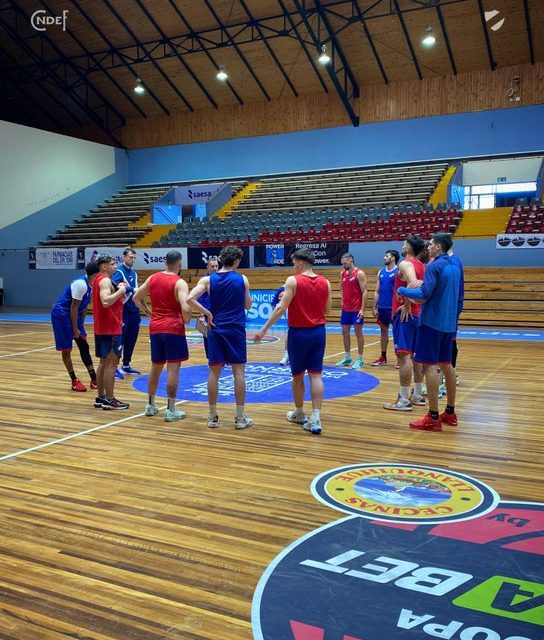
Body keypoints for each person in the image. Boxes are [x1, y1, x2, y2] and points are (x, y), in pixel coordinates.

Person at [254, 249, 331, 435]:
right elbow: (327, 311)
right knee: (315, 375)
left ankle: (299, 412)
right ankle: (316, 416)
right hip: (319, 332)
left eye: (294, 263)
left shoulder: (293, 281)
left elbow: (280, 308)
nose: (293, 266)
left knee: (297, 376)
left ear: (300, 263)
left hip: (299, 333)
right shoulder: (326, 282)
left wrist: (264, 329)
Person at [134, 251, 211, 422]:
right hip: (172, 328)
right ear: (179, 263)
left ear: (165, 262)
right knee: (173, 369)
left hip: (155, 328)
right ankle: (171, 409)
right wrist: (186, 319)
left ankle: (150, 405)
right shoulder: (179, 282)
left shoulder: (152, 278)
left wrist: (148, 312)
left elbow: (136, 297)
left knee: (155, 367)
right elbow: (185, 307)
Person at [398, 233, 462, 431]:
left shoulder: (435, 266)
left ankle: (433, 416)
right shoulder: (457, 263)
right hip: (449, 323)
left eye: (432, 245)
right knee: (447, 364)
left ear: (439, 248)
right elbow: (460, 297)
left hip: (432, 322)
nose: (429, 247)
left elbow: (424, 294)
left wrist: (404, 291)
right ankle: (450, 412)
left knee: (430, 367)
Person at [187, 246, 253, 430]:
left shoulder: (208, 280)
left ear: (222, 260)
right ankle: (240, 418)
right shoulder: (242, 279)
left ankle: (213, 416)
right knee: (239, 373)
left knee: (214, 373)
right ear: (237, 261)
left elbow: (189, 299)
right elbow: (248, 305)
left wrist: (207, 312)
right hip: (236, 330)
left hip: (215, 330)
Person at [383, 235, 426, 412]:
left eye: (404, 244)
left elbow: (414, 283)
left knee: (404, 356)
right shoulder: (422, 265)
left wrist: (407, 303)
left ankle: (403, 400)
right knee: (415, 356)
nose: (402, 246)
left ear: (408, 248)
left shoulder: (405, 264)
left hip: (405, 316)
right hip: (418, 316)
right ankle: (417, 394)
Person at [51, 261, 100, 392]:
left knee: (84, 345)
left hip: (74, 315)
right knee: (66, 349)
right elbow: (73, 308)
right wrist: (75, 329)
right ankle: (74, 380)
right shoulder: (81, 284)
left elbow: (82, 309)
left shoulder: (92, 285)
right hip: (61, 314)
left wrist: (80, 326)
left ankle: (94, 379)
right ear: (96, 274)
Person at [92, 254, 130, 410]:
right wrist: (121, 290)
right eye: (113, 264)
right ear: (104, 266)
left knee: (102, 363)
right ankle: (109, 399)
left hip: (101, 327)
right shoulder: (105, 280)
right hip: (111, 328)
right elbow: (106, 301)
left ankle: (101, 397)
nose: (115, 266)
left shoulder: (97, 280)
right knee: (112, 365)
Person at [111, 248, 141, 379]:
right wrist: (131, 288)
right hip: (123, 311)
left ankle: (126, 365)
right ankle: (114, 367)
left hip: (133, 310)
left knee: (131, 338)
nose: (132, 260)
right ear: (124, 257)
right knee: (120, 339)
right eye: (130, 257)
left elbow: (136, 292)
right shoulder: (118, 272)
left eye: (134, 258)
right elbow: (115, 286)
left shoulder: (134, 273)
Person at [335, 253, 367, 369]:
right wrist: (342, 299)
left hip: (357, 309)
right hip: (346, 309)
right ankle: (347, 357)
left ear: (351, 261)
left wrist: (362, 310)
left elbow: (365, 292)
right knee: (344, 332)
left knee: (358, 333)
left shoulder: (359, 273)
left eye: (345, 263)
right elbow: (341, 287)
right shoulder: (342, 274)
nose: (343, 265)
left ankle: (360, 358)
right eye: (342, 263)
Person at [371, 249, 400, 366]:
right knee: (383, 332)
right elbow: (377, 291)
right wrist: (374, 307)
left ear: (393, 258)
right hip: (382, 307)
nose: (384, 258)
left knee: (397, 332)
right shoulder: (381, 272)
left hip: (394, 307)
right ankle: (383, 357)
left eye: (387, 256)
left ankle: (400, 358)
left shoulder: (399, 271)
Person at [196, 257, 219, 359]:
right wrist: (201, 314)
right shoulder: (203, 281)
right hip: (207, 312)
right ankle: (210, 358)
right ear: (208, 267)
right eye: (212, 266)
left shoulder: (220, 278)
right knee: (208, 336)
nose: (215, 268)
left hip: (219, 312)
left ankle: (221, 358)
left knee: (220, 335)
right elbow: (200, 299)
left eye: (216, 266)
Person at [271, 284, 289, 365]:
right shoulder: (284, 287)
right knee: (289, 335)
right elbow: (274, 303)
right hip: (292, 319)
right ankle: (286, 355)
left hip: (305, 317)